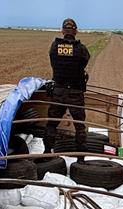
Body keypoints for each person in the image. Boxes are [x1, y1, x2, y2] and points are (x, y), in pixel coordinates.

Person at [44, 18, 90, 158]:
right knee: (79, 126)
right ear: (75, 31)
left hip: (58, 91)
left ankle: (46, 152)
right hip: (75, 92)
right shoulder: (81, 49)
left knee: (52, 124)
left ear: (62, 31)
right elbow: (84, 62)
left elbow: (53, 61)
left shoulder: (54, 46)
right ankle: (80, 157)